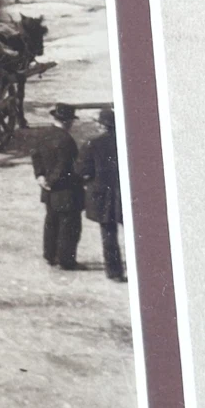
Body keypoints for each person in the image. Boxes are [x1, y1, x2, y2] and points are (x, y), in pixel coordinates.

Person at [31, 102, 84, 270]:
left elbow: (36, 156)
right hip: (66, 190)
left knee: (51, 222)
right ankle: (66, 260)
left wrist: (41, 177)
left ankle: (50, 255)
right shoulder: (67, 140)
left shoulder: (43, 134)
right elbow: (64, 166)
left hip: (48, 191)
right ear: (68, 121)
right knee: (69, 226)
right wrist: (52, 181)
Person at [79, 108, 126, 281]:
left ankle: (114, 272)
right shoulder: (126, 141)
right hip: (124, 195)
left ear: (101, 125)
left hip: (102, 196)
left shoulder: (92, 144)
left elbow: (82, 170)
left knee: (108, 235)